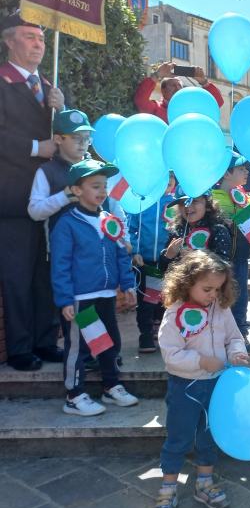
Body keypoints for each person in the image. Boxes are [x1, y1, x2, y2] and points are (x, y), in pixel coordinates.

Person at [154, 250, 250, 508]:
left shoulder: (220, 308)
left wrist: (236, 353)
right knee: (179, 436)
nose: (212, 295)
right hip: (185, 386)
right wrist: (199, 361)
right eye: (207, 289)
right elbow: (171, 354)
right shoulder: (175, 314)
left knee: (209, 434)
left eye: (218, 289)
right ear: (187, 283)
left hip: (216, 386)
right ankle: (168, 487)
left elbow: (233, 337)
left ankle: (205, 481)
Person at [0, 11, 67, 370]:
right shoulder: (3, 81)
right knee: (18, 274)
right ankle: (21, 348)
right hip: (13, 197)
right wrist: (34, 147)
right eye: (29, 37)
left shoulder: (50, 86)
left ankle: (45, 340)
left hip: (52, 194)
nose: (39, 44)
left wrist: (63, 108)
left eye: (41, 38)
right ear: (9, 41)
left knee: (46, 274)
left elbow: (69, 135)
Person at [50, 160, 139, 416]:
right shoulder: (67, 224)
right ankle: (74, 395)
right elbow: (60, 264)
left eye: (104, 186)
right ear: (77, 190)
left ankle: (111, 386)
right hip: (81, 298)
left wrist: (128, 284)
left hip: (106, 295)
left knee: (109, 342)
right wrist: (65, 299)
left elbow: (122, 254)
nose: (102, 191)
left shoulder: (110, 220)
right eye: (94, 186)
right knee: (79, 347)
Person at [28, 109, 95, 352]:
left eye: (86, 138)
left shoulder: (95, 169)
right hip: (58, 255)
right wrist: (65, 195)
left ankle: (97, 353)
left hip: (91, 254)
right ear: (58, 139)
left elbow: (111, 205)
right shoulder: (46, 172)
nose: (82, 143)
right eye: (76, 138)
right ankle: (64, 351)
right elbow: (35, 211)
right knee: (63, 305)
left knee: (90, 307)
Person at [212, 152, 250, 356]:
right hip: (221, 260)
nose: (246, 172)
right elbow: (229, 224)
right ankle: (220, 337)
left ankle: (241, 335)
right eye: (241, 169)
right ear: (226, 173)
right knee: (221, 298)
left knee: (240, 298)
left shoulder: (243, 195)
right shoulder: (215, 198)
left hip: (241, 256)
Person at [128, 176, 176, 354]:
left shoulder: (176, 204)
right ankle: (146, 335)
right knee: (147, 300)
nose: (169, 181)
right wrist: (135, 251)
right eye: (164, 177)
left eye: (172, 178)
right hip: (146, 260)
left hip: (168, 261)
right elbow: (130, 228)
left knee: (165, 298)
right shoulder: (141, 202)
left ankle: (160, 328)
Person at [159, 193, 233, 272]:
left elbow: (223, 268)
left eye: (194, 201)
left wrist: (196, 258)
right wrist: (168, 256)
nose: (187, 206)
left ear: (207, 206)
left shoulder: (218, 231)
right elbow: (163, 269)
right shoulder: (176, 231)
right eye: (183, 203)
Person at [134, 62, 224, 124]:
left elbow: (217, 103)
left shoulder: (190, 109)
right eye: (173, 85)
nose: (177, 88)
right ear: (163, 90)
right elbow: (141, 101)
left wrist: (204, 82)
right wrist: (158, 75)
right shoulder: (157, 108)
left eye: (179, 85)